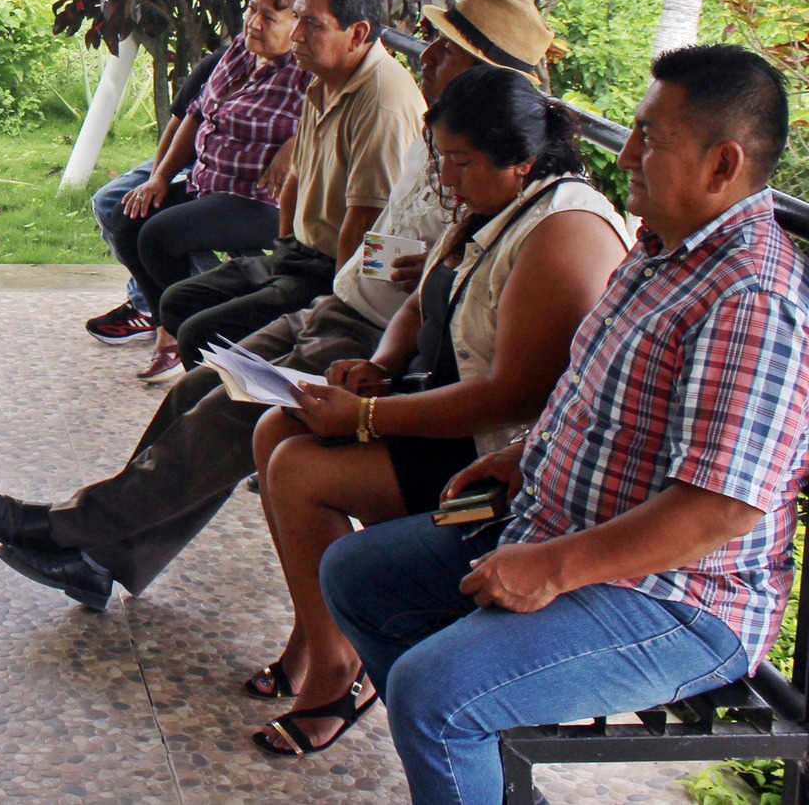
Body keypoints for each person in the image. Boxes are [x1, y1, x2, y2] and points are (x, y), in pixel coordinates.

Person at [321, 45, 808, 805]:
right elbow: (604, 398)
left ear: (724, 164)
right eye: (634, 131)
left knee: (435, 695)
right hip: (565, 524)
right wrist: (524, 456)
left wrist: (552, 567)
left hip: (678, 597)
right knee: (357, 575)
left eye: (652, 139)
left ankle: (465, 749)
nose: (629, 153)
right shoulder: (662, 252)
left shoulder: (749, 296)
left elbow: (719, 508)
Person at [0, 0, 559, 610]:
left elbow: (474, 326)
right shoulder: (436, 128)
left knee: (230, 407)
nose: (427, 53)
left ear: (490, 75)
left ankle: (75, 531)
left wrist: (410, 301)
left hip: (364, 325)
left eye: (447, 47)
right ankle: (100, 557)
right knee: (201, 384)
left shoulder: (483, 160)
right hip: (346, 301)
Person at [245, 66, 628, 757]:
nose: (447, 179)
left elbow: (515, 396)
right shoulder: (494, 202)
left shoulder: (564, 230)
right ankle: (316, 633)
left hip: (493, 452)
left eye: (461, 161)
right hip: (441, 405)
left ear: (521, 159)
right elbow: (424, 300)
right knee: (276, 425)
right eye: (442, 158)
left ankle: (338, 671)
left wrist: (365, 418)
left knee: (300, 470)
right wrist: (382, 366)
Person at [138, 0, 425, 382]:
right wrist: (285, 248)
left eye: (312, 24)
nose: (296, 35)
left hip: (338, 274)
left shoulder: (382, 102)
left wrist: (335, 311)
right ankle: (231, 389)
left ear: (358, 33)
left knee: (201, 330)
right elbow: (295, 178)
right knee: (179, 301)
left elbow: (365, 224)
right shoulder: (325, 78)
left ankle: (237, 396)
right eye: (297, 19)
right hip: (301, 254)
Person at [85, 0, 309, 346]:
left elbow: (333, 120)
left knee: (159, 236)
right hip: (207, 182)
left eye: (269, 17)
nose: (254, 22)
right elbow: (193, 114)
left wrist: (297, 144)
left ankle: (194, 331)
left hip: (256, 199)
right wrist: (159, 177)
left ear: (298, 23)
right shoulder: (240, 51)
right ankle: (169, 327)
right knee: (127, 216)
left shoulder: (306, 71)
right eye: (252, 9)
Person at [88, 41, 227, 330]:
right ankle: (149, 304)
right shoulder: (219, 64)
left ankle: (204, 309)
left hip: (224, 174)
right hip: (187, 158)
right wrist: (157, 178)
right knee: (110, 202)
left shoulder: (289, 77)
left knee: (161, 224)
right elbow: (178, 123)